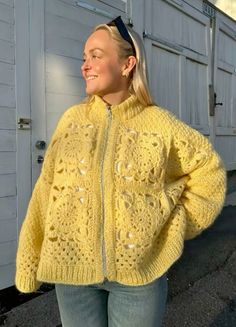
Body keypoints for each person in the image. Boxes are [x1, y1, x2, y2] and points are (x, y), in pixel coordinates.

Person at [15, 16, 226, 327]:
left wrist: (175, 225)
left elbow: (210, 172)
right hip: (73, 276)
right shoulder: (72, 121)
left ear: (128, 64)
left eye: (96, 56)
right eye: (84, 57)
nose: (85, 65)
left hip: (137, 279)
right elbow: (46, 193)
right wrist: (28, 260)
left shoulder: (160, 125)